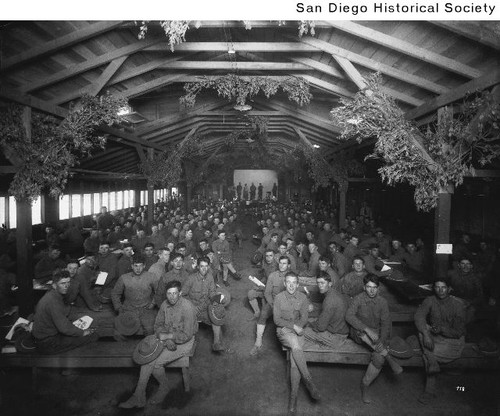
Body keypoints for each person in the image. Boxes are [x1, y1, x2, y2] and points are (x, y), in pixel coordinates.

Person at [118, 280, 198, 409]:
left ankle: (150, 392)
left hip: (185, 343)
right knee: (148, 358)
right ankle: (140, 396)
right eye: (169, 293)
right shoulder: (164, 305)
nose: (171, 297)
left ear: (180, 293)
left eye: (174, 293)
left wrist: (168, 337)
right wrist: (166, 339)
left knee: (153, 362)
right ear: (165, 294)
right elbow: (158, 326)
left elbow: (186, 335)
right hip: (165, 338)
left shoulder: (187, 307)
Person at [346, 274, 403, 404]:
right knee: (362, 333)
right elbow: (349, 316)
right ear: (364, 287)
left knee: (379, 358)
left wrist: (381, 341)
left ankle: (365, 385)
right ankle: (386, 353)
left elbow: (385, 324)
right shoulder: (358, 299)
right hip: (359, 332)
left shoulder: (382, 302)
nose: (372, 290)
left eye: (374, 287)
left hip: (376, 335)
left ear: (378, 288)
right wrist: (366, 329)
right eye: (369, 287)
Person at [274, 271, 321, 412]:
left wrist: (298, 327)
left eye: (294, 282)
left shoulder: (302, 297)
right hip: (284, 331)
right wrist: (293, 326)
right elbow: (277, 320)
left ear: (298, 284)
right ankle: (309, 381)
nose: (291, 285)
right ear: (284, 283)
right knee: (294, 344)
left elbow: (304, 317)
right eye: (288, 282)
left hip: (299, 331)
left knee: (295, 363)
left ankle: (293, 399)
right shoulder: (278, 297)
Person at [414, 278, 466, 404]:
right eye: (437, 287)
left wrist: (441, 329)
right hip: (434, 338)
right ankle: (433, 362)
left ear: (449, 289)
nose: (440, 290)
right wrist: (426, 334)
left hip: (452, 342)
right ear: (433, 288)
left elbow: (458, 332)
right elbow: (418, 316)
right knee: (422, 329)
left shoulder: (458, 305)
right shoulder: (430, 300)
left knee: (427, 356)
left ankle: (429, 391)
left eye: (443, 287)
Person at [32, 270, 98, 354]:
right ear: (54, 285)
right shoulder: (53, 301)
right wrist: (83, 332)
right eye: (62, 283)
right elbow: (64, 328)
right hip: (47, 342)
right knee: (92, 336)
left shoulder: (52, 295)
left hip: (45, 337)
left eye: (68, 282)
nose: (66, 286)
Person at [182, 257, 230, 352]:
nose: (204, 269)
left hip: (205, 307)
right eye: (201, 266)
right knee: (188, 330)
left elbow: (212, 292)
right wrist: (191, 308)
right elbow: (182, 296)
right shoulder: (191, 279)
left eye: (206, 266)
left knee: (217, 315)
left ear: (208, 267)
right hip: (193, 309)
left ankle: (217, 344)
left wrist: (217, 299)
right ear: (198, 267)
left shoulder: (210, 277)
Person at [250, 256, 290, 355]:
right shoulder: (273, 275)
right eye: (280, 263)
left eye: (284, 263)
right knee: (263, 313)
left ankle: (289, 345)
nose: (281, 265)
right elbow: (267, 292)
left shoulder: (291, 277)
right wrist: (272, 305)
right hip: (273, 302)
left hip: (286, 304)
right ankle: (258, 342)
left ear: (288, 265)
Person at [111, 253, 158, 337]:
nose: (138, 269)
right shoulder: (124, 278)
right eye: (135, 266)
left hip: (146, 308)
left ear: (144, 266)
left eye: (140, 266)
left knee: (150, 329)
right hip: (129, 308)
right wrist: (118, 308)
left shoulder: (151, 276)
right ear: (132, 266)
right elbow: (115, 293)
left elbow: (159, 292)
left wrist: (152, 304)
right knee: (120, 332)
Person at [304, 272, 349, 349]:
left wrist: (310, 324)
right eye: (318, 283)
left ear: (330, 284)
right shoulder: (334, 293)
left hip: (337, 338)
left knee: (302, 331)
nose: (320, 286)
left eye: (323, 283)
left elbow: (321, 327)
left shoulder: (329, 300)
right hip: (341, 330)